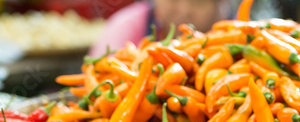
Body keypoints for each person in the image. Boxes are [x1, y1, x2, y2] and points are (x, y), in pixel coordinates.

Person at [88, 0, 233, 58]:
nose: (183, 10)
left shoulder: (235, 33)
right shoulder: (126, 27)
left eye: (198, 2)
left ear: (221, 7)